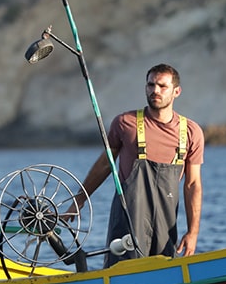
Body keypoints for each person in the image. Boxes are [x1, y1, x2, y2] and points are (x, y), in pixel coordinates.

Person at [73, 64, 204, 267]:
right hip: (127, 222)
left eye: (162, 86)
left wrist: (193, 232)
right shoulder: (125, 123)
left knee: (163, 276)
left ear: (176, 91)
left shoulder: (191, 132)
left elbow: (192, 184)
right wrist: (80, 199)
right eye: (151, 85)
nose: (155, 91)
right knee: (120, 275)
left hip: (165, 226)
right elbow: (104, 165)